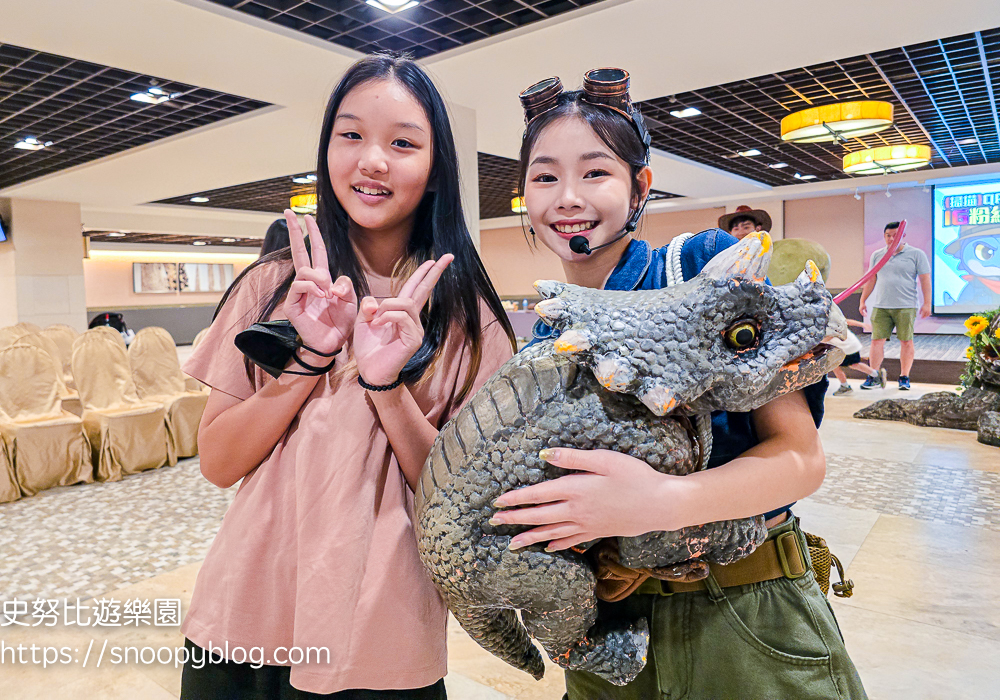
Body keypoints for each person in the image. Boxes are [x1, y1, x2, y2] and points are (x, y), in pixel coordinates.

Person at [488, 70, 867, 699]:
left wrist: (657, 501)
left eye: (596, 173)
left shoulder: (706, 268)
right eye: (545, 176)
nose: (568, 197)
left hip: (743, 615)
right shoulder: (545, 345)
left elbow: (799, 459)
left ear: (641, 185)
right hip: (611, 635)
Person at [179, 53, 515, 698]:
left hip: (382, 632)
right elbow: (220, 462)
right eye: (351, 135)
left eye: (403, 143)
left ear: (436, 165)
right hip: (246, 612)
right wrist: (308, 358)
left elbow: (466, 497)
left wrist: (387, 386)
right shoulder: (274, 286)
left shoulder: (469, 319)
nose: (372, 161)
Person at [858, 221, 931, 390]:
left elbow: (925, 279)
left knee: (906, 341)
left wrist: (927, 303)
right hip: (881, 305)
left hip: (906, 305)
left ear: (902, 236)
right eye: (888, 236)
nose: (891, 239)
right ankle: (874, 375)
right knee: (876, 341)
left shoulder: (916, 254)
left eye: (895, 235)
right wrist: (863, 300)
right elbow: (871, 279)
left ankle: (904, 377)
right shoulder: (877, 255)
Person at [829, 318, 885, 395]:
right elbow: (846, 321)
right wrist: (862, 325)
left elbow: (828, 337)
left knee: (835, 365)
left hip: (847, 346)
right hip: (849, 345)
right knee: (853, 365)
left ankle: (845, 386)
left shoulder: (824, 320)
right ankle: (876, 374)